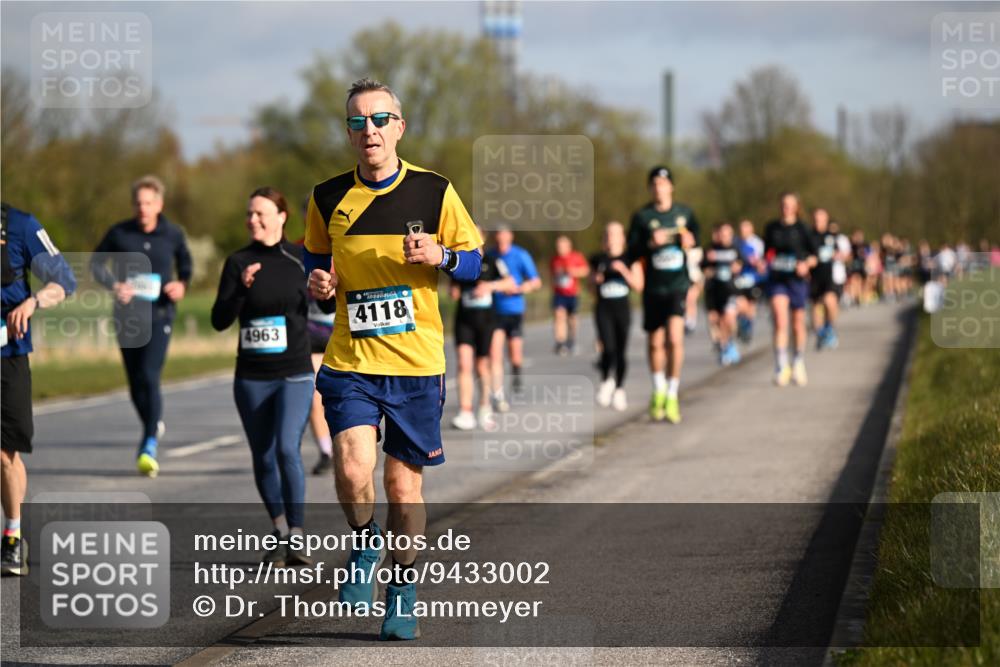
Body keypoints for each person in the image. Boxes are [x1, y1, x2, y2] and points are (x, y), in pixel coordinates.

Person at [302, 78, 483, 640]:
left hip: (415, 364)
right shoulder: (327, 197)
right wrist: (321, 286)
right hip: (351, 358)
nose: (369, 131)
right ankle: (364, 545)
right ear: (349, 133)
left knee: (405, 488)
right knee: (353, 468)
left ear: (399, 127)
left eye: (380, 120)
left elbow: (475, 263)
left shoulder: (434, 191)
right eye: (358, 122)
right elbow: (316, 269)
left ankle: (402, 585)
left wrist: (443, 255)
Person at [211, 188, 316, 566]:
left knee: (288, 448)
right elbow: (219, 320)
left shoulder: (299, 258)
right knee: (263, 455)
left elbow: (327, 304)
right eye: (249, 214)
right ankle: (280, 529)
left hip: (294, 373)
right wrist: (241, 289)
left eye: (260, 213)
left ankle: (299, 535)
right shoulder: (238, 262)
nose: (252, 220)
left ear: (281, 216)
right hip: (252, 376)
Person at [91, 176, 192, 477]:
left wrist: (181, 285)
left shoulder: (172, 234)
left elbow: (185, 265)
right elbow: (96, 264)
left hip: (160, 314)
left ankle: (148, 442)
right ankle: (152, 421)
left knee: (149, 375)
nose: (143, 208)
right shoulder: (119, 233)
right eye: (138, 203)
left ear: (159, 204)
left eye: (148, 203)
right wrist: (114, 284)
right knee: (135, 382)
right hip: (127, 317)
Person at [1, 203, 76, 575]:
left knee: (3, 453)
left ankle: (13, 537)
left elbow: (64, 282)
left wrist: (32, 302)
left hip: (7, 355)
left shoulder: (19, 225)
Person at [626, 166, 699, 423]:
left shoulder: (684, 213)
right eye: (654, 183)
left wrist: (690, 241)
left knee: (675, 339)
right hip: (653, 288)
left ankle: (672, 393)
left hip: (677, 286)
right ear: (650, 188)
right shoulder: (642, 217)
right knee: (656, 342)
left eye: (663, 183)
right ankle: (657, 388)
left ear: (671, 187)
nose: (659, 188)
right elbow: (630, 252)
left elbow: (697, 244)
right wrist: (649, 244)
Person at [450, 230, 513, 430]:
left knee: (481, 365)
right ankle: (465, 411)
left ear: (482, 238)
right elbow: (453, 292)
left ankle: (484, 406)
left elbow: (510, 283)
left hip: (486, 321)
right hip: (464, 320)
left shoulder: (494, 261)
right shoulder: (459, 261)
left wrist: (490, 286)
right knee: (463, 363)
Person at [763, 192, 818, 387]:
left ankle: (798, 361)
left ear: (796, 207)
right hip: (777, 279)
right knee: (779, 319)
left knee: (797, 323)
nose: (786, 208)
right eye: (783, 204)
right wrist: (763, 263)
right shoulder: (771, 228)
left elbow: (814, 256)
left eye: (790, 204)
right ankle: (781, 365)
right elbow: (766, 253)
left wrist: (806, 265)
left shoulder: (803, 228)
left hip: (797, 281)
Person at [487, 225, 541, 411]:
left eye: (504, 235)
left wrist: (519, 289)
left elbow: (535, 281)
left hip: (514, 310)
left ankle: (516, 371)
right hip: (494, 311)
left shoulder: (520, 255)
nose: (501, 239)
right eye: (498, 235)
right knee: (495, 354)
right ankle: (498, 394)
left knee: (515, 355)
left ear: (510, 236)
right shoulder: (491, 256)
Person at [590, 221, 641, 411]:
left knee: (620, 351)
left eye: (615, 234)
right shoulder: (597, 259)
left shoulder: (630, 258)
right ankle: (606, 381)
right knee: (607, 347)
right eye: (608, 234)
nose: (611, 238)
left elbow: (638, 285)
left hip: (622, 308)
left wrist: (623, 271)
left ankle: (619, 388)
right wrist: (595, 281)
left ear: (622, 238)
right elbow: (590, 288)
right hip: (603, 308)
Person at [703, 222, 743, 366]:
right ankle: (724, 345)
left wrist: (737, 267)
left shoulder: (736, 249)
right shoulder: (710, 249)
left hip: (730, 290)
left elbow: (741, 265)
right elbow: (703, 269)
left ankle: (729, 344)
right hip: (713, 291)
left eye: (727, 234)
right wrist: (710, 267)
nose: (724, 237)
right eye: (722, 234)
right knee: (715, 321)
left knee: (728, 318)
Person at [809, 208, 846, 350]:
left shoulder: (831, 236)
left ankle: (829, 329)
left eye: (821, 219)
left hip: (828, 276)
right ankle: (820, 333)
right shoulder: (809, 235)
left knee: (830, 302)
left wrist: (838, 255)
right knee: (817, 307)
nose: (818, 222)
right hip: (813, 277)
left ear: (826, 219)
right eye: (816, 219)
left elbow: (839, 253)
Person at [549, 234, 589, 356]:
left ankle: (571, 339)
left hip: (572, 293)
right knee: (559, 315)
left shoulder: (576, 257)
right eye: (558, 246)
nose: (560, 248)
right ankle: (560, 342)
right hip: (559, 293)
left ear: (568, 246)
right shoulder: (554, 260)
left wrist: (573, 271)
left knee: (572, 318)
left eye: (562, 245)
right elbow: (552, 275)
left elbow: (586, 271)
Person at [734, 219, 765, 343]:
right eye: (741, 229)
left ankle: (748, 326)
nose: (743, 231)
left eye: (746, 228)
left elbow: (760, 262)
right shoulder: (736, 242)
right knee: (740, 304)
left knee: (751, 305)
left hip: (753, 279)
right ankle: (743, 321)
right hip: (739, 279)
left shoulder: (757, 243)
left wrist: (756, 263)